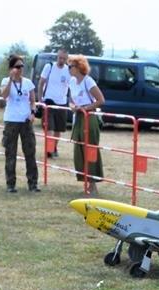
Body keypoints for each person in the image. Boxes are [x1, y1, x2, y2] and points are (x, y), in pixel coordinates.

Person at [0, 54, 39, 193]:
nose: (20, 69)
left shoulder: (28, 83)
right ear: (11, 68)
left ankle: (33, 184)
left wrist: (33, 113)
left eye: (22, 66)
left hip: (25, 121)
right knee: (10, 153)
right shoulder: (5, 81)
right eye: (17, 66)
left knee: (30, 152)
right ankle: (10, 184)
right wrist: (11, 79)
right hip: (11, 121)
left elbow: (33, 101)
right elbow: (4, 96)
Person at [68, 54, 105, 195]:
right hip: (78, 117)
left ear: (78, 67)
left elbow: (101, 100)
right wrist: (72, 106)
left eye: (71, 66)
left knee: (90, 149)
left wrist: (85, 108)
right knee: (79, 150)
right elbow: (71, 99)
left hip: (89, 117)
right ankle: (85, 181)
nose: (69, 69)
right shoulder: (72, 81)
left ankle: (93, 184)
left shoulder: (88, 81)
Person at [38, 49, 70, 158]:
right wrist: (40, 100)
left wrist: (73, 101)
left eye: (64, 58)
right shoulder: (49, 66)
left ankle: (53, 148)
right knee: (49, 128)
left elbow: (72, 86)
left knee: (58, 129)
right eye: (60, 58)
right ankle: (49, 150)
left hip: (62, 103)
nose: (62, 60)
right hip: (49, 102)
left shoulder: (69, 70)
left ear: (67, 59)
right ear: (57, 57)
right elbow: (41, 83)